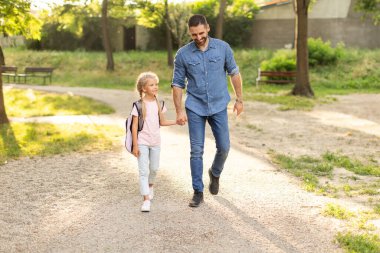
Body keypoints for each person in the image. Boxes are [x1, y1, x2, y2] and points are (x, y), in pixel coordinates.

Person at [171, 14, 243, 207]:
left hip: (219, 104)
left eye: (201, 33)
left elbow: (234, 73)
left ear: (208, 28)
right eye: (194, 34)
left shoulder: (223, 48)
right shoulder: (183, 54)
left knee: (224, 147)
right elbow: (177, 84)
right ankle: (197, 191)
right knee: (196, 151)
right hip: (195, 106)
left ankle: (215, 172)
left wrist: (239, 99)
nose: (198, 37)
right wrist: (179, 111)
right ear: (190, 32)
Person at [131, 72, 177, 212]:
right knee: (143, 171)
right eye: (152, 85)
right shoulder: (138, 105)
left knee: (154, 168)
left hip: (156, 142)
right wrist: (135, 145)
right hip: (142, 142)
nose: (155, 87)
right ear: (144, 88)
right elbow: (134, 126)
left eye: (156, 84)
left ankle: (151, 186)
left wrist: (177, 121)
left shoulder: (159, 104)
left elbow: (162, 122)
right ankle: (146, 200)